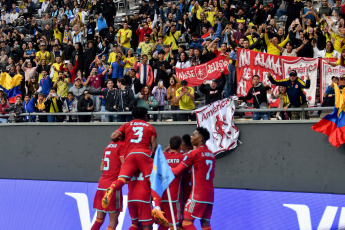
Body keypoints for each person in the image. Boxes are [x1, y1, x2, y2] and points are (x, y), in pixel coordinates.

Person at [102, 107, 167, 225]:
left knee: (121, 179)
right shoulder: (150, 127)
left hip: (130, 155)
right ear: (146, 116)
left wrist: (122, 136)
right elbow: (153, 144)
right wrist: (151, 157)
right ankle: (157, 208)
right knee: (154, 181)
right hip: (143, 154)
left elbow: (113, 136)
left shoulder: (127, 125)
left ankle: (111, 188)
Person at [170, 127, 215, 230]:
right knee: (205, 223)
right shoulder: (211, 154)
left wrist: (167, 168)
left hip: (197, 194)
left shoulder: (194, 153)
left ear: (200, 139)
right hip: (210, 194)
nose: (191, 136)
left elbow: (177, 171)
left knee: (186, 223)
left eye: (194, 135)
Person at [91, 141, 124, 230]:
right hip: (113, 188)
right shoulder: (122, 146)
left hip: (101, 185)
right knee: (114, 221)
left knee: (99, 219)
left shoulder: (108, 146)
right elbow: (125, 165)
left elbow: (102, 168)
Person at [158, 136, 184, 230]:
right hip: (174, 197)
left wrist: (166, 149)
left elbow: (160, 154)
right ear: (180, 146)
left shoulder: (162, 156)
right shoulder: (182, 157)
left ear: (169, 145)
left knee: (163, 224)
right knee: (175, 224)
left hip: (162, 196)